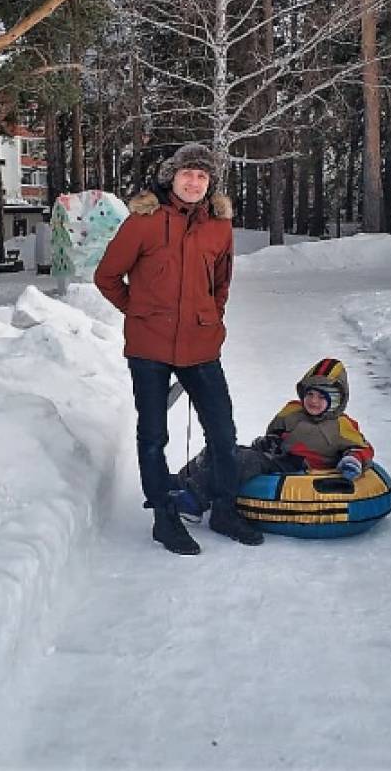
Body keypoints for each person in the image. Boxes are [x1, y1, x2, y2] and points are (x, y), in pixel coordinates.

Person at [94, 143, 264, 554]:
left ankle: (224, 509)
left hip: (202, 346)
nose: (194, 182)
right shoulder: (143, 222)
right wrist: (139, 312)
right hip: (149, 348)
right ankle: (164, 518)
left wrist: (211, 315)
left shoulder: (219, 228)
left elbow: (221, 283)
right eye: (188, 174)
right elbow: (107, 276)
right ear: (173, 176)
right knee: (153, 436)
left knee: (223, 433)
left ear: (210, 184)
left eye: (202, 177)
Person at [177, 357, 376, 515]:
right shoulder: (292, 411)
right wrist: (270, 442)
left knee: (245, 461)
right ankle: (180, 482)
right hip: (279, 460)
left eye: (322, 397)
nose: (313, 401)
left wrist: (352, 460)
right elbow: (275, 433)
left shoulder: (342, 425)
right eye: (310, 395)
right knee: (223, 451)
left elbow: (361, 448)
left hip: (304, 471)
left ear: (335, 401)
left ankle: (195, 499)